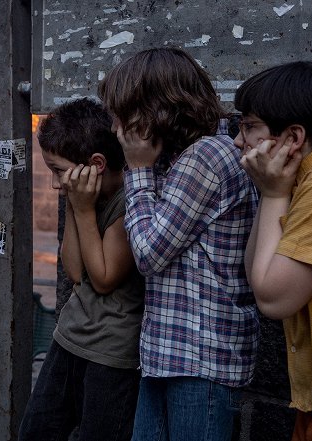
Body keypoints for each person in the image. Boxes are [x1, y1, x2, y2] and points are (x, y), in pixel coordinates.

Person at [98, 47, 259, 440]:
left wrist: (137, 170)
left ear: (156, 110)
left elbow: (149, 253)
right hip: (171, 356)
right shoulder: (183, 158)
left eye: (124, 113)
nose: (117, 126)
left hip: (197, 361)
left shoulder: (206, 156)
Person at [235, 61, 312, 441]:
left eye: (249, 126)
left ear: (293, 137)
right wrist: (273, 192)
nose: (239, 141)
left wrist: (272, 193)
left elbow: (272, 297)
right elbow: (255, 270)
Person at [18, 98, 144, 441]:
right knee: (36, 431)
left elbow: (103, 279)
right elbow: (74, 270)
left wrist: (84, 211)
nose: (56, 184)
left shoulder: (130, 201)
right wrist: (77, 207)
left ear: (96, 164)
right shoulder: (82, 199)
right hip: (70, 337)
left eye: (59, 171)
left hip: (110, 354)